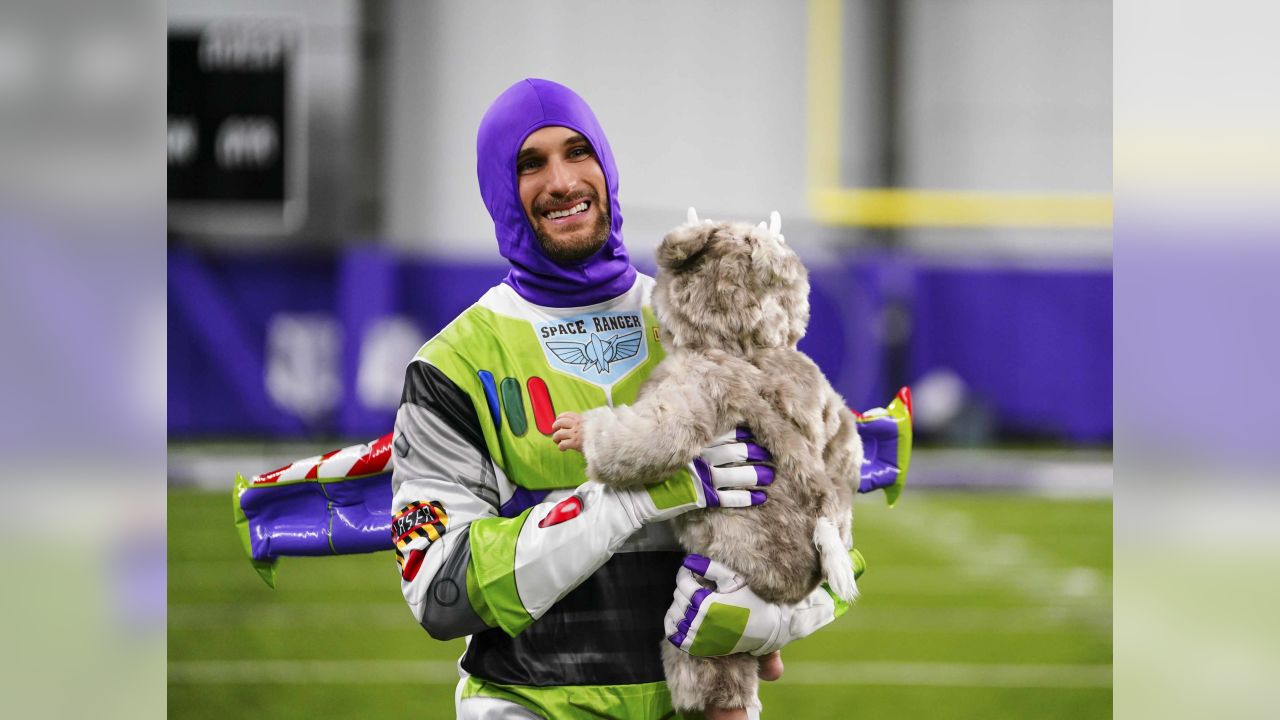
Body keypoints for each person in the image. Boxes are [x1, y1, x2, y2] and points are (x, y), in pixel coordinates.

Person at [391, 78, 859, 720]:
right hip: (527, 705)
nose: (561, 180)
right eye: (531, 163)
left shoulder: (701, 326)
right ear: (500, 189)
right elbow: (439, 591)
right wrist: (633, 499)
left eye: (577, 152)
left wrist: (777, 619)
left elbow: (812, 519)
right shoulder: (451, 366)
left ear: (607, 167)